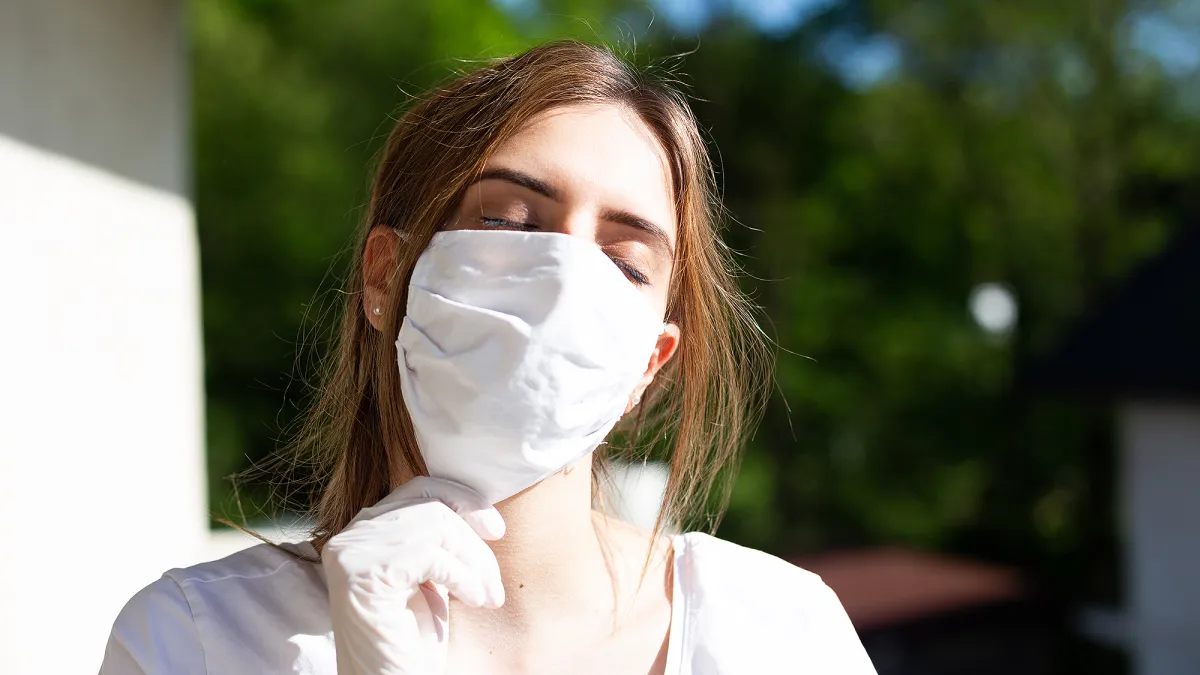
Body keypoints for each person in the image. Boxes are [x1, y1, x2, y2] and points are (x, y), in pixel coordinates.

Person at [99, 40, 877, 675]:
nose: (567, 279)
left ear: (651, 360)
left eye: (627, 262)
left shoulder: (781, 636)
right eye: (507, 220)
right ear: (383, 276)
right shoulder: (192, 642)